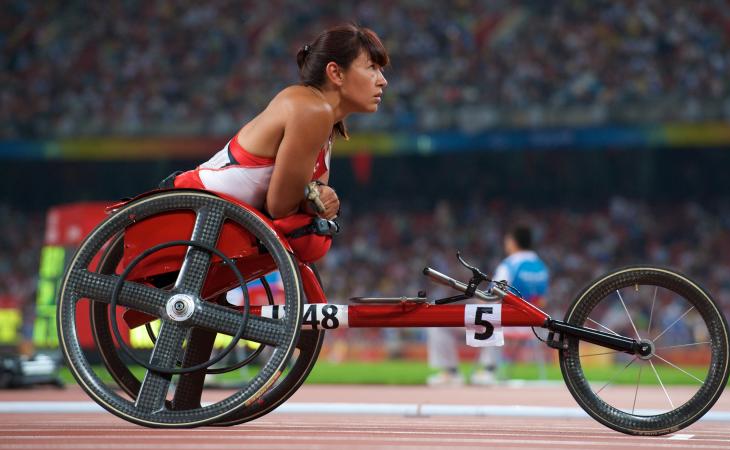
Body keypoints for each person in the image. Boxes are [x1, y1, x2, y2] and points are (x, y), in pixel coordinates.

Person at [161, 23, 389, 262]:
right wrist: (315, 199)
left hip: (203, 218)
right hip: (183, 213)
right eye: (372, 68)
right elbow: (281, 208)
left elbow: (309, 202)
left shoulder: (326, 122)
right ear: (336, 73)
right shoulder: (311, 109)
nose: (382, 80)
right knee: (308, 237)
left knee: (312, 234)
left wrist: (320, 198)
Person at [427, 225, 549, 386]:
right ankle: (487, 368)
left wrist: (472, 303)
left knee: (439, 321)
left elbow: (490, 297)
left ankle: (457, 371)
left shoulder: (510, 265)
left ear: (513, 242)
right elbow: (542, 301)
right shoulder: (541, 267)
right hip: (532, 325)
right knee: (492, 314)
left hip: (505, 324)